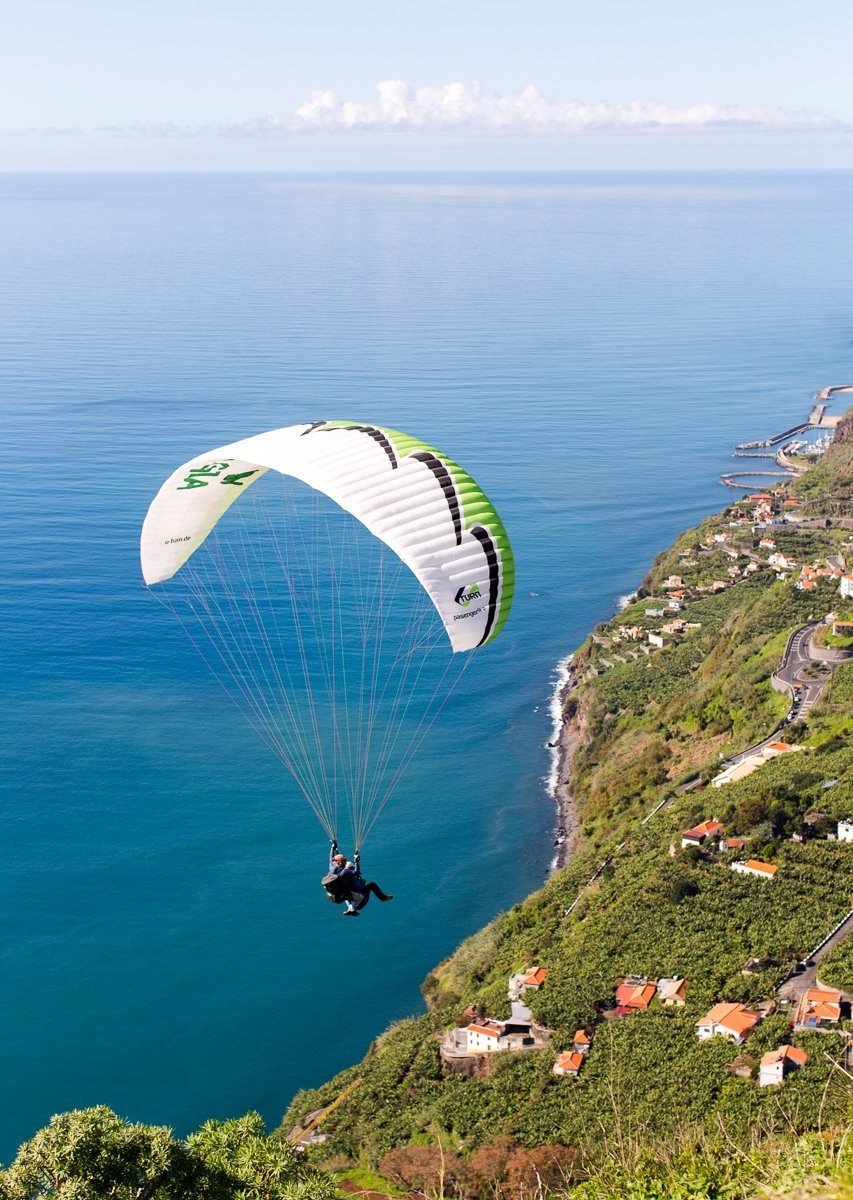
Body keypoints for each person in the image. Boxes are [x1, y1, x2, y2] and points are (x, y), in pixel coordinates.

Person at [325, 843, 393, 916]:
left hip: (335, 896)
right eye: (345, 861)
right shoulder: (346, 872)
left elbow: (330, 859)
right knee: (372, 885)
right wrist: (356, 862)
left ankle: (350, 908)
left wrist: (333, 849)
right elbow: (356, 872)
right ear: (342, 862)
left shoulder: (331, 868)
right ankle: (383, 898)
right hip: (350, 898)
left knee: (348, 892)